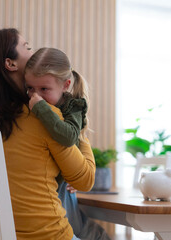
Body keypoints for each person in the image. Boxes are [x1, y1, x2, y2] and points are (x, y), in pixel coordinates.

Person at [0, 28, 95, 240]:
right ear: (11, 63)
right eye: (27, 47)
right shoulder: (42, 117)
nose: (32, 52)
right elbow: (86, 180)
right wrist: (79, 129)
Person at [24, 47, 111, 240]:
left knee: (97, 234)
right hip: (48, 191)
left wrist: (41, 108)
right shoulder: (28, 104)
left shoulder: (72, 107)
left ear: (66, 85)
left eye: (44, 89)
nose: (34, 96)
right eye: (30, 88)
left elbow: (70, 136)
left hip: (64, 186)